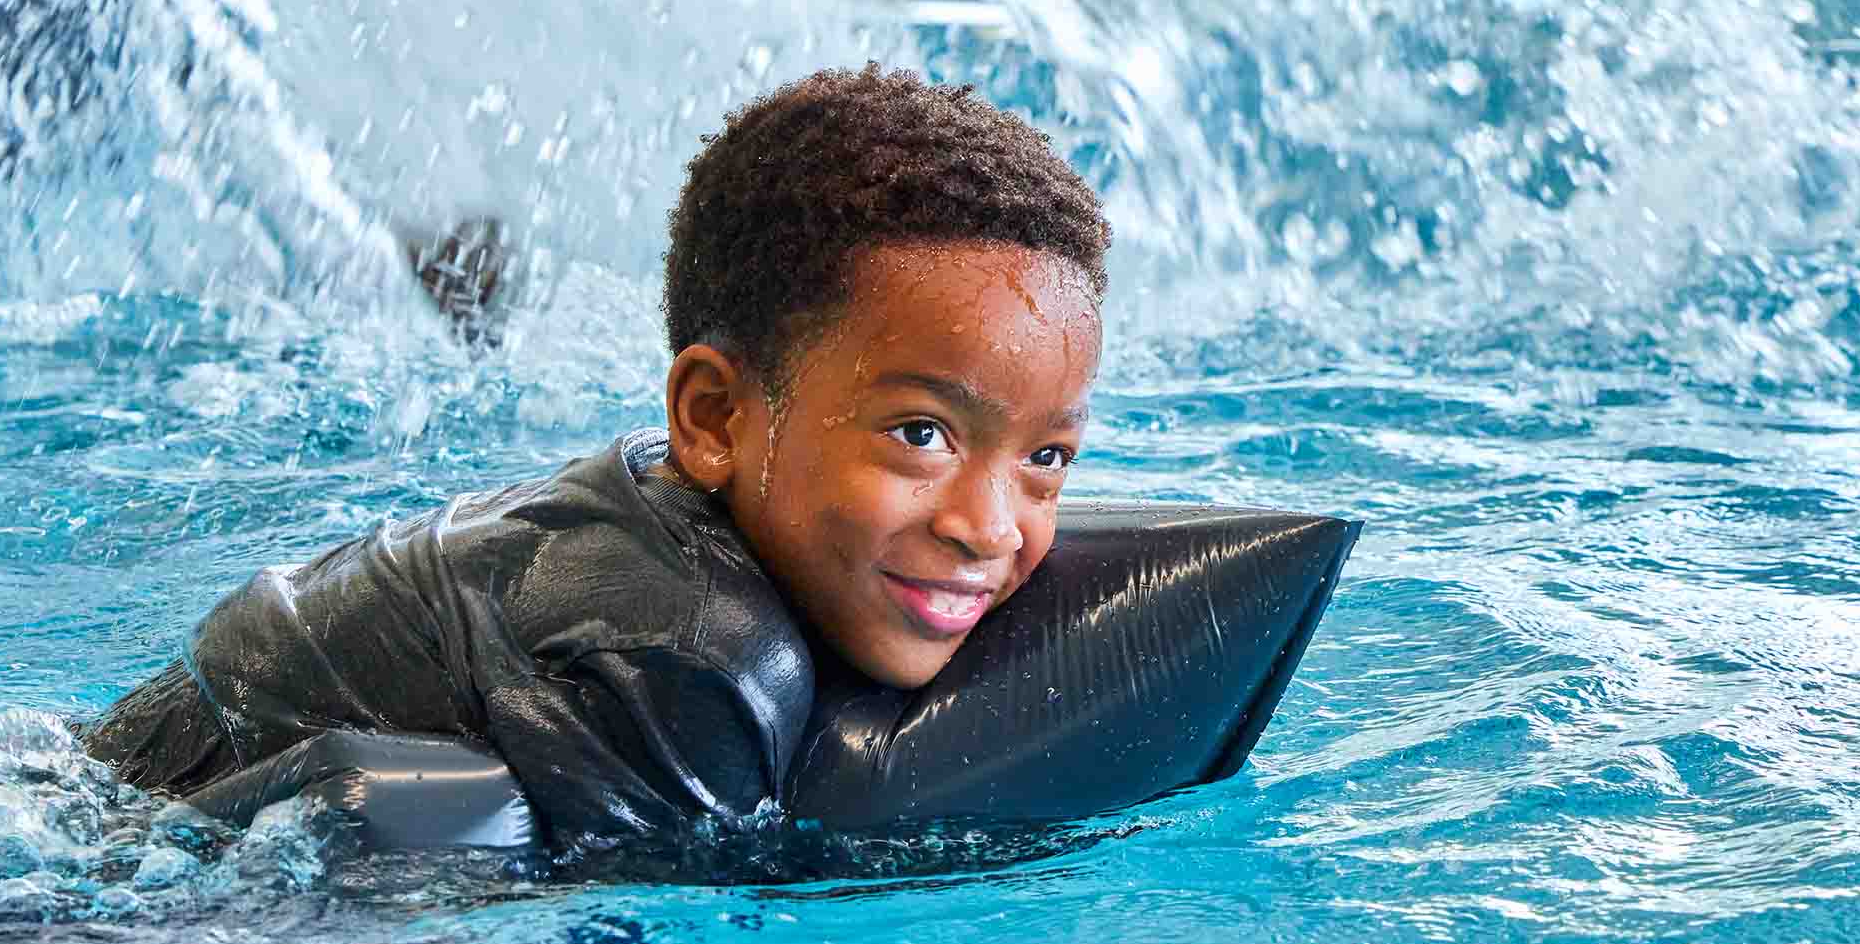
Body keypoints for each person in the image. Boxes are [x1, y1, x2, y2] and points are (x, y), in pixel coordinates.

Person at [87, 66, 1113, 861]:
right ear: (713, 418)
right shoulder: (700, 648)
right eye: (921, 435)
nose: (987, 525)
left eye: (1046, 456)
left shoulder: (658, 518)